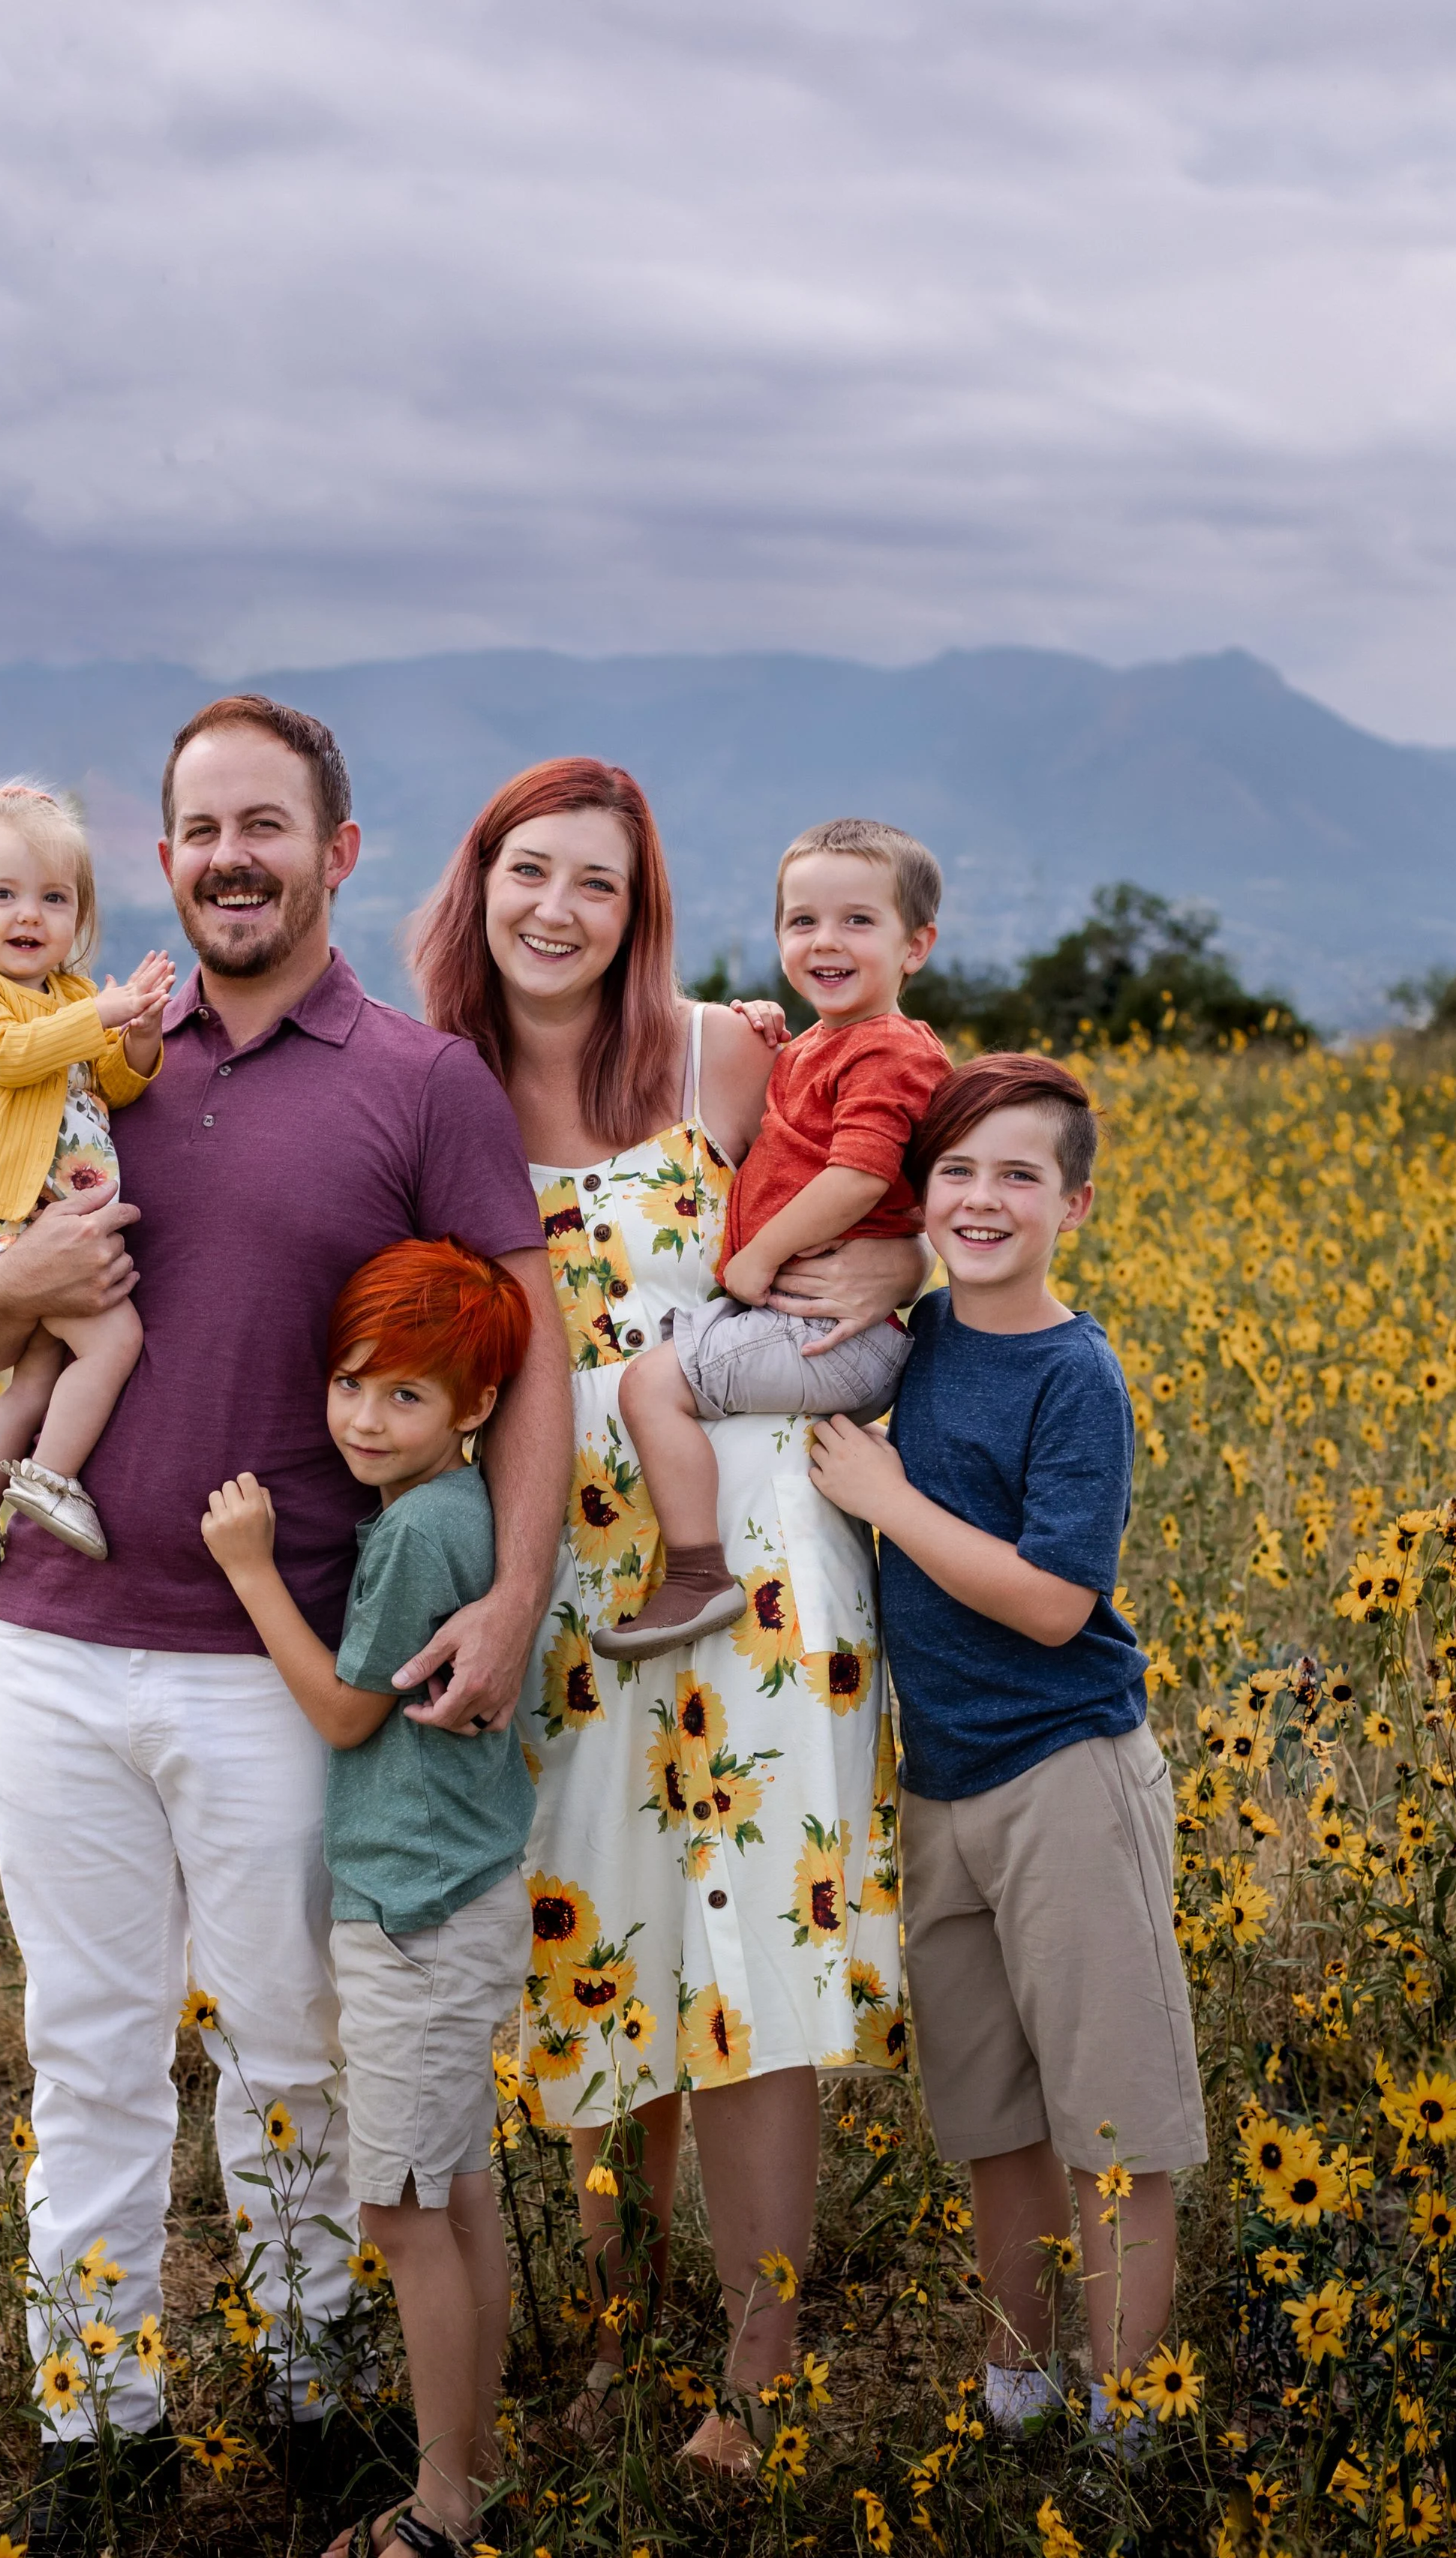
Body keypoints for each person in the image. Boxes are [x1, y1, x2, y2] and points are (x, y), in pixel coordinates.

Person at [0, 696, 569, 2547]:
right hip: (50, 1635)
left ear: (338, 852)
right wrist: (6, 1283)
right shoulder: (90, 1055)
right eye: (198, 828)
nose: (229, 858)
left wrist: (518, 1591)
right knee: (88, 2043)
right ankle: (94, 2420)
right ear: (167, 854)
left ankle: (313, 2391)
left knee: (290, 2041)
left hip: (283, 1660)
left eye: (265, 825)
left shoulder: (421, 1078)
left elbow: (531, 1358)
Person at [411, 758, 925, 2471]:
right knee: (603, 1915)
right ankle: (623, 2295)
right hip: (552, 1563)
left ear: (644, 917)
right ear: (476, 885)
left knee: (746, 1940)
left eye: (602, 885)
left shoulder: (716, 1052)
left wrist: (899, 1272)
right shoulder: (428, 1092)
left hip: (751, 1552)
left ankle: (760, 2360)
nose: (559, 910)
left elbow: (906, 1161)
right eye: (529, 872)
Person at [806, 1052, 1207, 2451]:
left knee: (1116, 2121)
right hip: (943, 1786)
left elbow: (1055, 1601)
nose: (982, 1199)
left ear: (1074, 1205)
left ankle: (1125, 2426)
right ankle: (1016, 2384)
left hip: (1066, 1776)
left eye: (1018, 1176)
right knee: (992, 2118)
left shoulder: (1072, 1373)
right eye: (957, 1171)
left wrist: (889, 1497)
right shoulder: (914, 1335)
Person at [202, 1237, 536, 2558]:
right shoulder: (466, 1516)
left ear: (473, 1411)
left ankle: (445, 2512)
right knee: (454, 2195)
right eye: (351, 1383)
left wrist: (249, 1570)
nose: (362, 1418)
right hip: (460, 1895)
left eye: (407, 1395)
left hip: (410, 1913)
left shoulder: (415, 1533)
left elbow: (349, 1714)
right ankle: (477, 2467)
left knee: (400, 2214)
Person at [596, 818, 950, 1656]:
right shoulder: (827, 1046)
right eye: (802, 922)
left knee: (651, 1388)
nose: (825, 940)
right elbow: (805, 1133)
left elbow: (860, 1175)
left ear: (916, 946)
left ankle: (694, 1577)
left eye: (858, 921)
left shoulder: (891, 1051)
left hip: (825, 1332)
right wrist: (770, 1025)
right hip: (817, 1331)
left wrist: (754, 1257)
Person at [0, 782, 175, 1584]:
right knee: (114, 1340)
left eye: (55, 898)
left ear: (80, 916)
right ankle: (49, 1480)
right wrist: (104, 1014)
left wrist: (140, 1039)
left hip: (43, 1215)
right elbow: (10, 1055)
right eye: (3, 894)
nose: (29, 916)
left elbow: (110, 1089)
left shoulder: (74, 998)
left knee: (45, 1368)